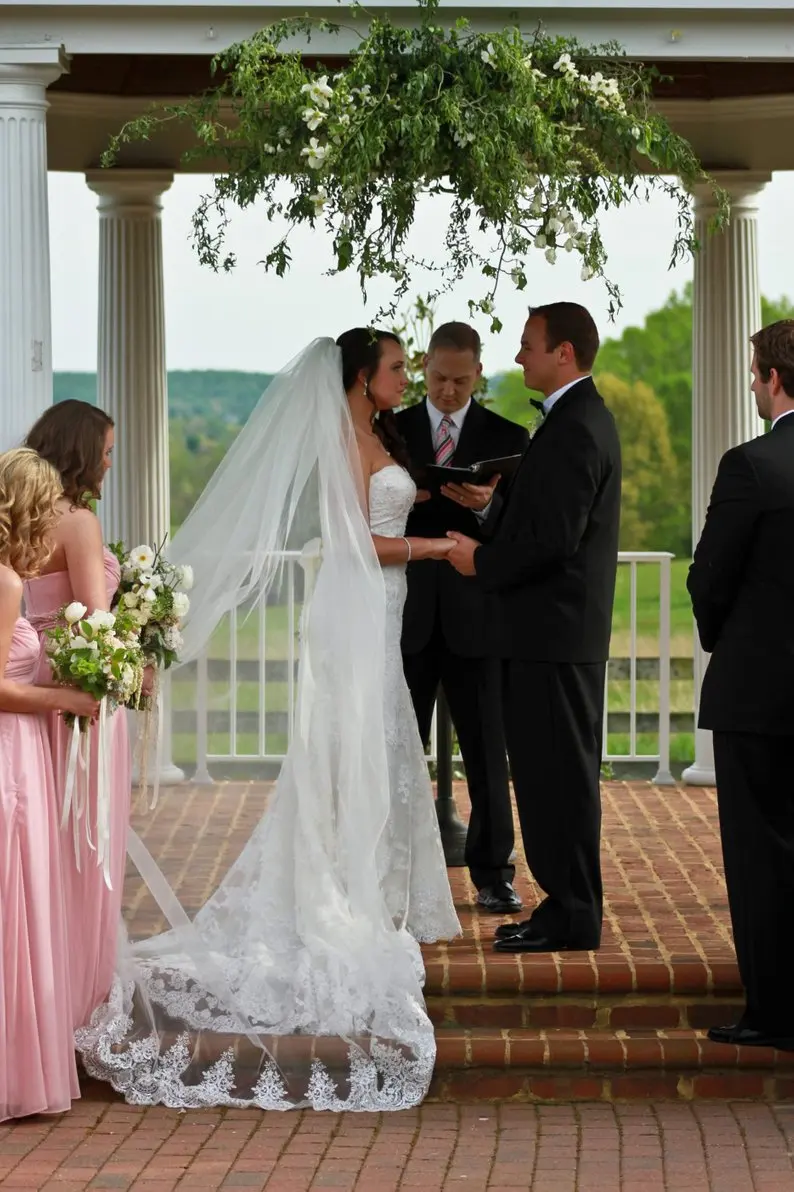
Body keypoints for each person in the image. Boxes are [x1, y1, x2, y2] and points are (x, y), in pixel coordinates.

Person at [75, 332, 461, 1112]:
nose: (405, 378)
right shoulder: (348, 442)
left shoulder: (374, 436)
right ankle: (343, 887)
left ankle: (373, 882)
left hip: (379, 613)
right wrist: (438, 545)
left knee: (376, 741)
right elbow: (358, 541)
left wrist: (435, 498)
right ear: (361, 378)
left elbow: (383, 503)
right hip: (357, 610)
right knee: (349, 742)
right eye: (394, 368)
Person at [447, 303, 621, 953]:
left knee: (559, 783)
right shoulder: (573, 420)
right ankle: (564, 907)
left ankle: (574, 913)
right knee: (549, 780)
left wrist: (479, 559)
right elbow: (546, 518)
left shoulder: (576, 427)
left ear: (564, 354)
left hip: (554, 639)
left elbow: (555, 540)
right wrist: (493, 504)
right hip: (550, 638)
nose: (520, 357)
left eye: (528, 346)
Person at [688, 320, 794, 1051]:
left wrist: (734, 642)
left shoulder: (751, 465)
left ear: (772, 378)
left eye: (755, 371)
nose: (753, 383)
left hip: (761, 696)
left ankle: (774, 1013)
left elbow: (709, 578)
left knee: (761, 859)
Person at [398, 322, 528, 912]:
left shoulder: (509, 436)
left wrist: (492, 505)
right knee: (399, 748)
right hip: (405, 615)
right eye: (439, 378)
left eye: (460, 379)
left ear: (479, 372)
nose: (448, 390)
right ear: (425, 367)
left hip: (479, 615)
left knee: (487, 749)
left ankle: (494, 873)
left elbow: (523, 530)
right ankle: (396, 870)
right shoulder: (390, 432)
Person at [23, 400, 134, 1029]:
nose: (111, 462)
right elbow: (96, 617)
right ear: (81, 453)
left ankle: (39, 997)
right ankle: (78, 1005)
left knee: (40, 851)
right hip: (78, 691)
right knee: (86, 848)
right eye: (107, 451)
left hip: (25, 688)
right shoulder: (78, 522)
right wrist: (137, 645)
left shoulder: (16, 513)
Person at [0, 447, 99, 1122]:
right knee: (15, 899)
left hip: (24, 748)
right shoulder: (6, 581)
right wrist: (64, 699)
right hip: (11, 754)